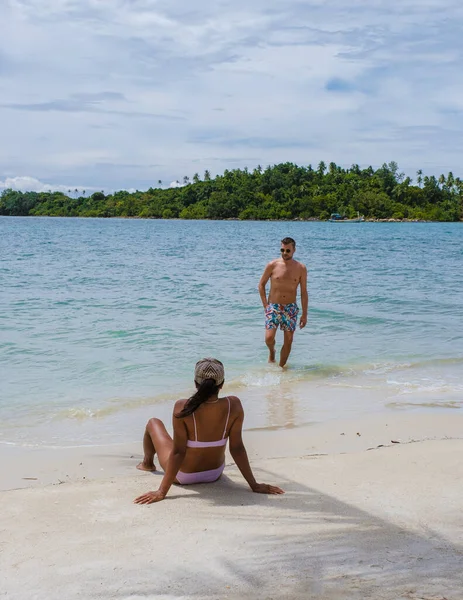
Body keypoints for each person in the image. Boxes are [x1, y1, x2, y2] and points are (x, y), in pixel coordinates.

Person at [134, 358, 284, 504]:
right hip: (214, 473)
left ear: (195, 384)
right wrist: (254, 485)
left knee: (154, 423)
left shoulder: (182, 407)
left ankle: (147, 464)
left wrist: (161, 492)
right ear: (222, 384)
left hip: (184, 476)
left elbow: (178, 452)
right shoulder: (234, 405)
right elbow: (237, 449)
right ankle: (148, 464)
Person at [258, 237, 308, 367]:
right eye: (282, 250)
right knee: (268, 338)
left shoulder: (301, 268)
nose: (284, 253)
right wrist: (266, 306)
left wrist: (304, 314)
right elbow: (261, 285)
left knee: (289, 341)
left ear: (294, 250)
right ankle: (272, 351)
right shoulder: (272, 265)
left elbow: (303, 292)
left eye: (287, 250)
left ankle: (281, 369)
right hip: (273, 306)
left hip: (291, 308)